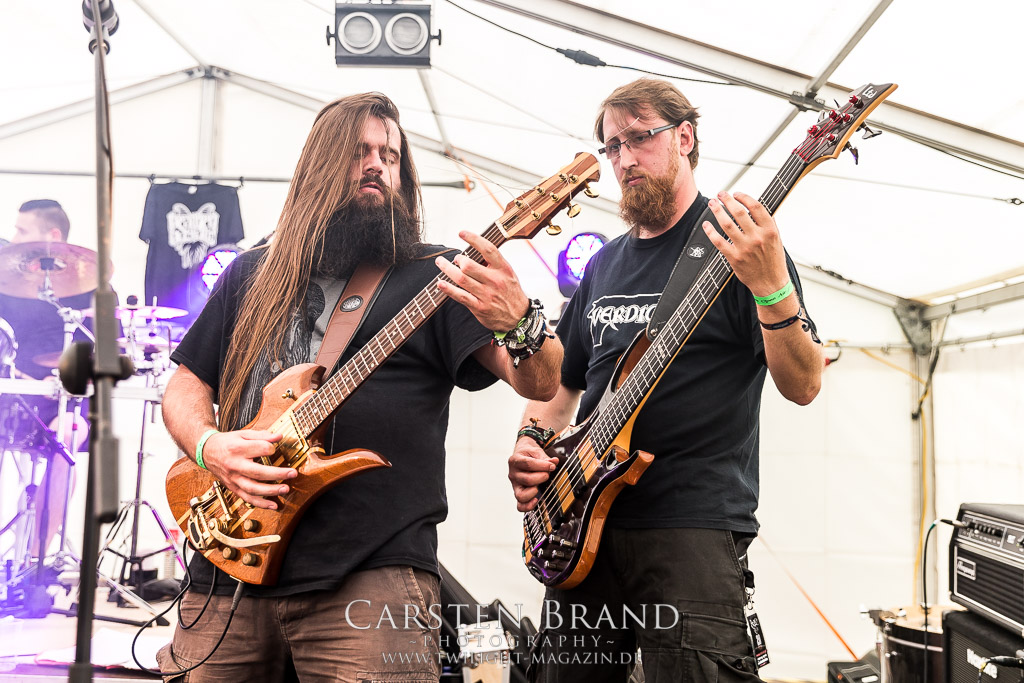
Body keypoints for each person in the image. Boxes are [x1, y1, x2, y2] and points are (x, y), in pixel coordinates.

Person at [156, 92, 562, 681]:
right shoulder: (251, 273)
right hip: (228, 569)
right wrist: (208, 446)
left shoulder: (437, 275)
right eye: (359, 151)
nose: (377, 165)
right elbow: (186, 383)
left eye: (390, 156)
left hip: (370, 577)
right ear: (318, 165)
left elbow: (541, 379)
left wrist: (519, 319)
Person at [508, 78, 824, 682]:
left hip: (692, 526)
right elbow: (559, 386)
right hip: (582, 525)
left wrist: (770, 286)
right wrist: (530, 443)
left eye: (639, 138)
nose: (624, 159)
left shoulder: (740, 248)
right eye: (612, 146)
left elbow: (804, 384)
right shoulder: (604, 263)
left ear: (685, 137)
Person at [0, 200, 91, 560]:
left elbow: (109, 352)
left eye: (22, 231)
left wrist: (73, 374)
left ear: (52, 236)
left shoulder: (91, 286)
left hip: (59, 405)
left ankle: (36, 559)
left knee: (69, 432)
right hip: (10, 396)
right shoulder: (5, 281)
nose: (14, 238)